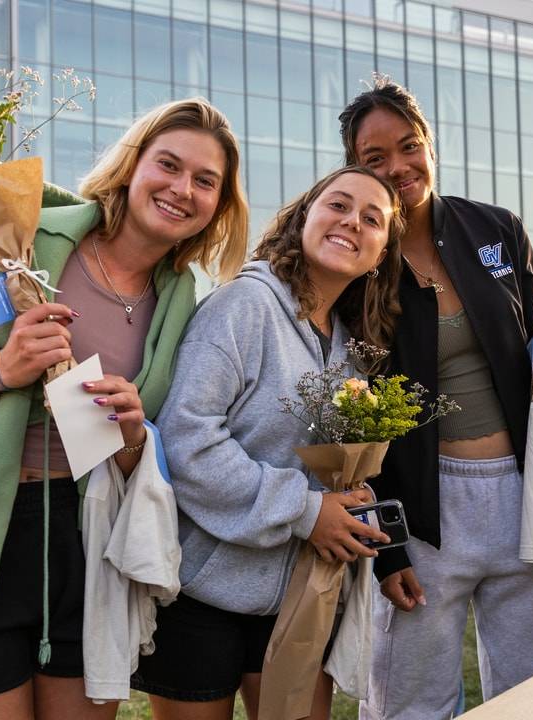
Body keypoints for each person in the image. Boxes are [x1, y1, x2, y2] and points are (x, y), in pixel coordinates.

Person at [0, 98, 248, 720]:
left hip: (84, 539)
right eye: (167, 165)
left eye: (205, 181)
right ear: (131, 165)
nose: (181, 189)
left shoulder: (185, 300)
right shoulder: (19, 234)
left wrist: (136, 433)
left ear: (219, 206)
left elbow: (142, 443)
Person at [337, 79, 533, 719]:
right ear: (354, 167)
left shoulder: (496, 228)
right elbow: (347, 410)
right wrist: (386, 545)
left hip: (521, 495)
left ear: (430, 145)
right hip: (421, 510)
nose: (398, 167)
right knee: (409, 704)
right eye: (374, 159)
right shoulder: (357, 260)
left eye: (409, 146)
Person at [133, 166, 403, 718]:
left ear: (379, 255)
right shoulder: (243, 306)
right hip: (201, 593)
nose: (352, 222)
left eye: (371, 219)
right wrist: (306, 511)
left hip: (299, 592)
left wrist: (348, 503)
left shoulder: (351, 349)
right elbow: (190, 442)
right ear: (305, 215)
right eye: (339, 205)